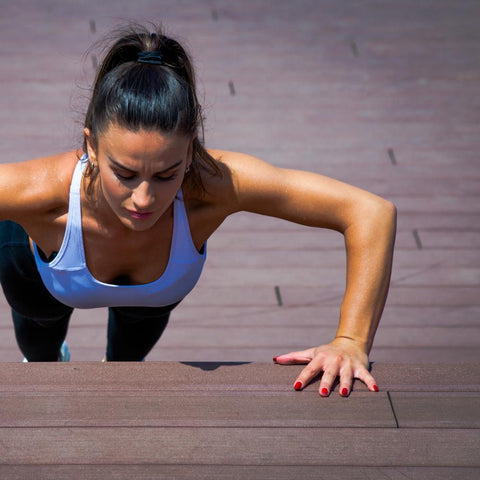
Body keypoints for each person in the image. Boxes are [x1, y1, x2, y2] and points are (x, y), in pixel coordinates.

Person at [0, 24, 396, 397]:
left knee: (126, 363)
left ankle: (118, 365)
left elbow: (370, 212)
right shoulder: (37, 193)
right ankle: (47, 356)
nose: (143, 199)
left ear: (190, 151)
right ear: (91, 147)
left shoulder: (214, 185)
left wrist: (351, 341)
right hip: (39, 273)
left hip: (151, 298)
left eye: (166, 174)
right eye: (124, 173)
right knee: (41, 356)